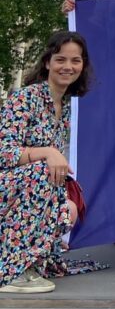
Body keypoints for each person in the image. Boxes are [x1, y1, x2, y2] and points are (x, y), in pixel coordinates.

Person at [0, 31, 95, 294]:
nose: (68, 67)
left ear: (83, 65)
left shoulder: (64, 105)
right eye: (60, 59)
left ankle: (33, 258)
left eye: (75, 61)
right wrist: (45, 152)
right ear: (47, 63)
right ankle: (12, 271)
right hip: (8, 190)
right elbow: (3, 152)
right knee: (44, 170)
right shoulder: (25, 99)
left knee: (69, 206)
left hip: (27, 192)